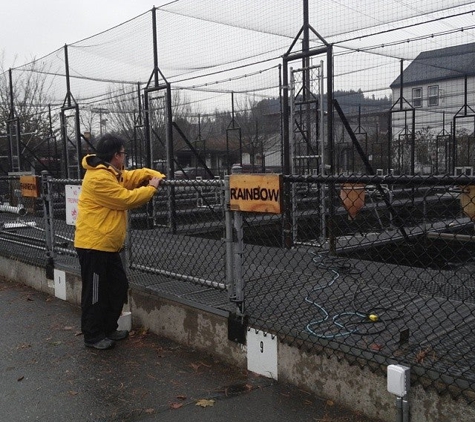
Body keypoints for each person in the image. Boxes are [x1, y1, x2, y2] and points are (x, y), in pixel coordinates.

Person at [74, 133, 165, 350]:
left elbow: (134, 176)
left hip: (106, 245)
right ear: (116, 155)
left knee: (117, 286)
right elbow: (125, 199)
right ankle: (93, 335)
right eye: (123, 154)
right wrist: (151, 188)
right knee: (95, 292)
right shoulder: (98, 178)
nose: (124, 157)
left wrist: (156, 175)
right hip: (93, 245)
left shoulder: (112, 173)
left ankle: (107, 328)